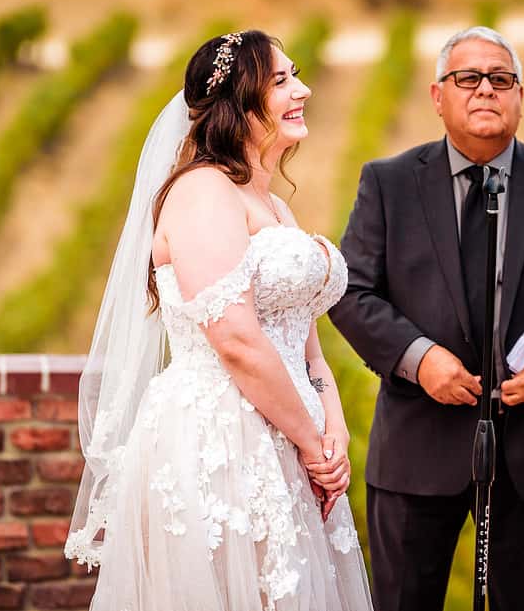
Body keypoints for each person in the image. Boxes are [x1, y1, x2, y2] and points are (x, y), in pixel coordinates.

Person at [64, 30, 373, 611]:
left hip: (291, 440)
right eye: (280, 81)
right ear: (238, 104)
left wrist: (333, 431)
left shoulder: (275, 204)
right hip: (221, 440)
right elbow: (234, 339)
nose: (301, 89)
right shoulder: (203, 192)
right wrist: (312, 444)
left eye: (295, 75)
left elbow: (307, 349)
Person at [328, 26, 524, 610]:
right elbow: (351, 292)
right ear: (438, 96)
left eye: (501, 79)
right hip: (419, 444)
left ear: (520, 95)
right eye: (468, 78)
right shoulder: (388, 184)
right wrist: (421, 360)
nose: (485, 90)